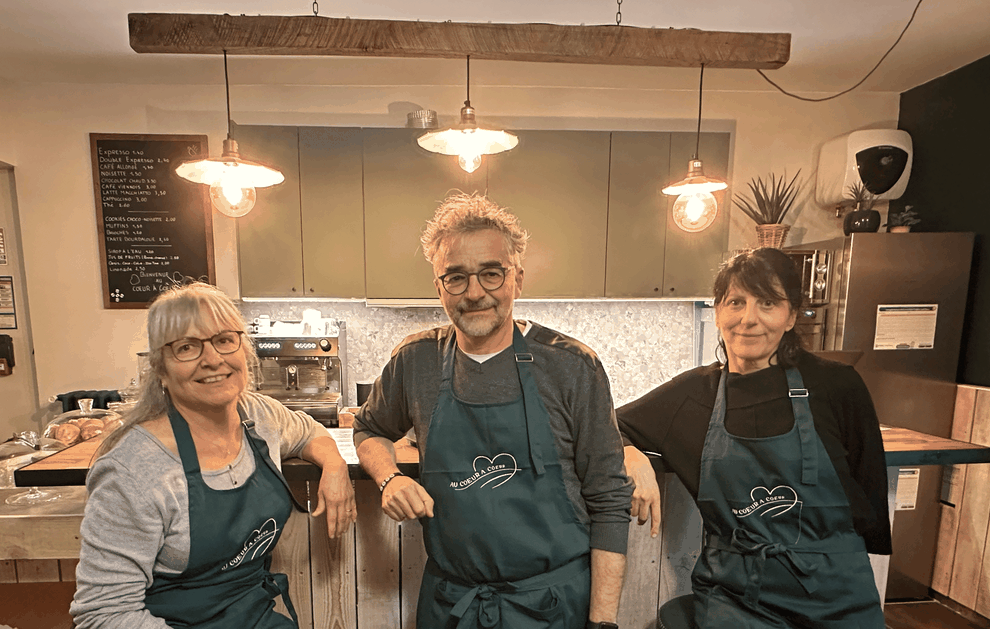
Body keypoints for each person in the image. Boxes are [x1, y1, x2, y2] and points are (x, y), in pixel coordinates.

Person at [354, 193, 634, 629]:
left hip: (554, 607)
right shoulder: (415, 361)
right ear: (439, 287)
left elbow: (610, 501)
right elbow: (369, 428)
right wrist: (387, 478)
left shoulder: (573, 366)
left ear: (517, 279)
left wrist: (602, 623)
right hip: (452, 606)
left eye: (491, 274)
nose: (475, 293)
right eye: (456, 278)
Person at [617, 248, 891, 629]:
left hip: (836, 593)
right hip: (737, 595)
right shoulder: (693, 394)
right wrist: (628, 453)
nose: (749, 319)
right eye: (736, 302)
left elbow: (869, 489)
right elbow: (605, 423)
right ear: (717, 312)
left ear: (792, 315)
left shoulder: (837, 385)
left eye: (768, 303)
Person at [71, 282, 356, 629]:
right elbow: (104, 613)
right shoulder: (132, 469)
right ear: (161, 368)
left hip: (253, 616)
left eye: (223, 340)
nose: (212, 360)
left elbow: (309, 431)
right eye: (187, 347)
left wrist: (335, 465)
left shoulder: (258, 415)